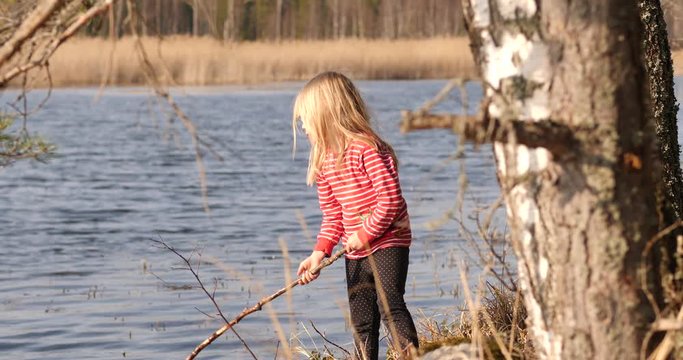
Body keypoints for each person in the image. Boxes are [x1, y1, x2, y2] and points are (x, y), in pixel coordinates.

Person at [293, 71, 419, 360]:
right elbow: (333, 217)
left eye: (306, 119)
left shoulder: (368, 150)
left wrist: (364, 235)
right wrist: (319, 254)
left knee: (389, 305)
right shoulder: (324, 162)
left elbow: (389, 201)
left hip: (388, 239)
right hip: (355, 249)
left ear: (327, 114)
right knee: (362, 319)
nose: (304, 127)